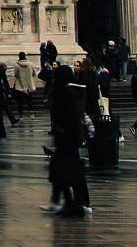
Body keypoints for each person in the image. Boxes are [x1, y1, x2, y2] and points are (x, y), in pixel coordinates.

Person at [42, 62, 90, 218]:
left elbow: (73, 118)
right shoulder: (66, 93)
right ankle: (75, 203)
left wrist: (63, 130)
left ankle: (72, 203)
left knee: (63, 170)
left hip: (69, 138)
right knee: (72, 171)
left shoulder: (68, 94)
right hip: (69, 138)